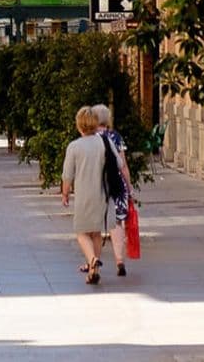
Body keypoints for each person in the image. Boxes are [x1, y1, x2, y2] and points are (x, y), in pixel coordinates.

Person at [61, 106, 109, 285]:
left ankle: (92, 261)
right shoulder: (104, 143)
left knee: (81, 232)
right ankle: (93, 269)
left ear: (79, 125)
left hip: (83, 194)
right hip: (101, 193)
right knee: (96, 232)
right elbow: (118, 163)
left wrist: (65, 193)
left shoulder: (74, 146)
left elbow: (67, 174)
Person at [93, 104, 134, 277]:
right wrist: (129, 186)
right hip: (116, 184)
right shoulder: (116, 136)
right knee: (117, 224)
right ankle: (119, 261)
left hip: (97, 185)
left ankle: (93, 261)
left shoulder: (90, 138)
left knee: (94, 226)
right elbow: (123, 165)